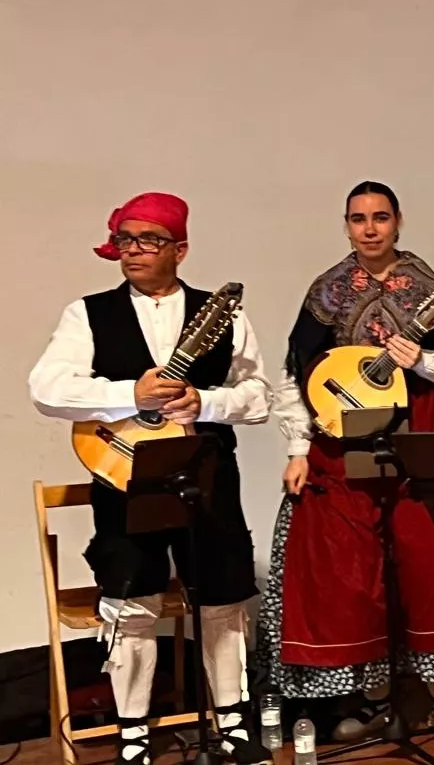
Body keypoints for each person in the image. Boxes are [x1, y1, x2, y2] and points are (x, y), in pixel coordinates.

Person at [261, 181, 434, 738]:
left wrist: (421, 360)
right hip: (344, 439)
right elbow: (296, 371)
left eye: (380, 217)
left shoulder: (429, 287)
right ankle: (375, 699)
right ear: (345, 225)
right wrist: (298, 449)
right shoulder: (329, 291)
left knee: (433, 556)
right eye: (358, 218)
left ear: (398, 221)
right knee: (354, 565)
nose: (369, 228)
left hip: (425, 429)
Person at [28, 192, 272, 765]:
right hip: (125, 473)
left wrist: (203, 404)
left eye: (148, 241)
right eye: (125, 240)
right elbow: (46, 388)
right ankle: (132, 729)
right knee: (132, 593)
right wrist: (126, 396)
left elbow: (258, 396)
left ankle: (233, 721)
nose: (132, 251)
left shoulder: (222, 311)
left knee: (223, 592)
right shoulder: (87, 313)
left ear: (180, 250)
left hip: (206, 468)